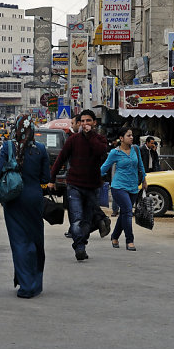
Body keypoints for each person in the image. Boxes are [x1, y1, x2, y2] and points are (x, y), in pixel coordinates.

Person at [0, 115, 51, 298]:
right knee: (35, 240)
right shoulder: (40, 149)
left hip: (14, 198)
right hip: (34, 198)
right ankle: (35, 283)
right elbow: (45, 178)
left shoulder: (8, 147)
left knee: (19, 242)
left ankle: (25, 286)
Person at [50, 109, 109, 261]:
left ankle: (80, 243)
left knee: (87, 221)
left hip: (92, 186)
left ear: (94, 123)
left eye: (88, 121)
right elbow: (61, 158)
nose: (85, 124)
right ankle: (80, 247)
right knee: (76, 219)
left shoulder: (100, 139)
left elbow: (99, 151)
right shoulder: (73, 140)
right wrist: (51, 179)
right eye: (82, 121)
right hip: (74, 185)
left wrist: (89, 136)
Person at [101, 128, 146, 251]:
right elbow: (104, 168)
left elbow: (140, 165)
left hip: (133, 187)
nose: (132, 137)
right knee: (127, 211)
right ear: (121, 138)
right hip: (119, 186)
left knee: (124, 213)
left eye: (132, 135)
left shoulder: (136, 149)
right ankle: (129, 240)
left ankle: (114, 236)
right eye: (129, 135)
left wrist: (144, 180)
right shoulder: (114, 152)